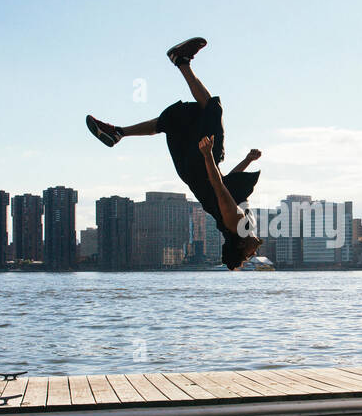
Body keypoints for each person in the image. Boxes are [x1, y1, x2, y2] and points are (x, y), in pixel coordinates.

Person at [86, 39, 263, 270]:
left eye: (248, 255)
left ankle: (181, 61)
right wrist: (247, 160)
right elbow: (229, 184)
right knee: (179, 119)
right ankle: (118, 133)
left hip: (202, 166)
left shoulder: (236, 222)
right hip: (194, 168)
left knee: (212, 108)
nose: (254, 253)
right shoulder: (242, 225)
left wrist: (208, 154)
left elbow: (219, 186)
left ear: (240, 246)